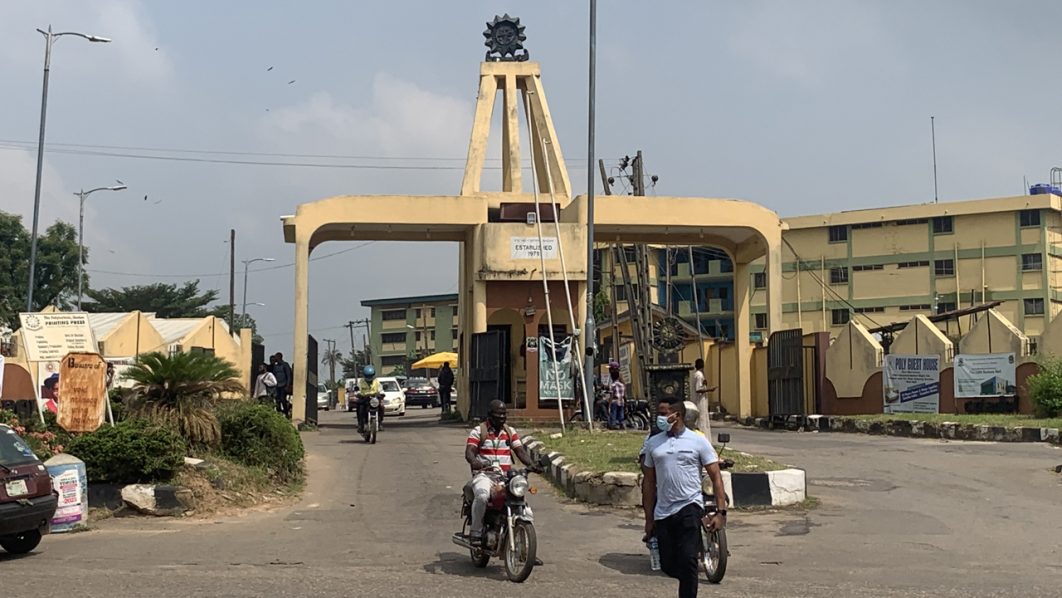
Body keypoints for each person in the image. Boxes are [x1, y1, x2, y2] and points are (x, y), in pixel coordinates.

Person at [642, 399, 728, 598]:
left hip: (690, 506)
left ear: (677, 415)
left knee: (689, 559)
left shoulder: (697, 441)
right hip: (663, 511)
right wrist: (648, 519)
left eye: (665, 414)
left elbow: (715, 476)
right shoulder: (654, 443)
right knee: (669, 564)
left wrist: (720, 511)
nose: (661, 418)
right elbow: (648, 482)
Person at [463, 400, 542, 546]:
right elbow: (470, 452)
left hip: (505, 478)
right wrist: (475, 462)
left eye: (504, 414)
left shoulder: (510, 432)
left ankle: (526, 549)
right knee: (482, 496)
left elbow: (520, 452)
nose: (501, 417)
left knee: (524, 508)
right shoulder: (479, 431)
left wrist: (532, 465)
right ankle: (476, 532)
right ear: (489, 415)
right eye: (498, 414)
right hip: (484, 475)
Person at [691, 358, 717, 438]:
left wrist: (705, 384)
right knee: (701, 420)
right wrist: (710, 389)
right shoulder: (699, 375)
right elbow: (698, 389)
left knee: (703, 419)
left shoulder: (698, 375)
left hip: (701, 401)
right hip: (699, 401)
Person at [355, 365, 384, 434]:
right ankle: (360, 424)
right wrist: (358, 393)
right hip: (364, 398)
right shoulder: (361, 382)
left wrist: (381, 394)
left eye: (370, 376)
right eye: (367, 376)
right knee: (359, 407)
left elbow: (381, 389)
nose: (369, 378)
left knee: (381, 407)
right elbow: (357, 390)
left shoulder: (376, 381)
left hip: (374, 399)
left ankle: (380, 423)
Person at [271, 353, 293, 418]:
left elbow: (289, 376)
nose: (275, 359)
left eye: (276, 357)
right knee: (277, 400)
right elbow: (274, 375)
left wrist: (288, 385)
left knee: (282, 399)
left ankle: (286, 413)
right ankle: (278, 413)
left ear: (279, 357)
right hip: (277, 385)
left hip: (284, 385)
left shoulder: (285, 365)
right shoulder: (276, 366)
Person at [607, 361, 625, 429]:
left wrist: (609, 405)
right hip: (621, 400)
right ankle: (621, 423)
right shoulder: (621, 384)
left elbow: (611, 395)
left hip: (615, 400)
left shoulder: (616, 379)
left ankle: (613, 424)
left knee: (613, 413)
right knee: (621, 414)